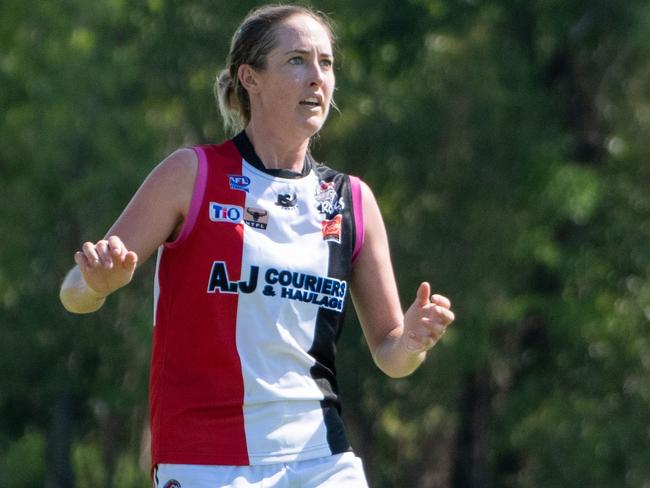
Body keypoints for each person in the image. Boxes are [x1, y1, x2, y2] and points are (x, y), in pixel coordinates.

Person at [59, 5, 455, 487]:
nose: (317, 78)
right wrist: (96, 285)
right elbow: (73, 292)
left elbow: (391, 355)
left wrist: (411, 342)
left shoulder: (351, 199)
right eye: (297, 61)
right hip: (206, 459)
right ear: (250, 77)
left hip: (321, 456)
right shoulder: (191, 174)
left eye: (326, 64)